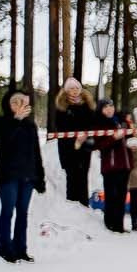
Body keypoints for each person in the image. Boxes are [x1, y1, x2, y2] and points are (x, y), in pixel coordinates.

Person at [0, 88, 45, 261]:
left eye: (22, 101)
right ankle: (5, 248)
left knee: (23, 213)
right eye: (15, 101)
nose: (19, 104)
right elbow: (3, 145)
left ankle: (20, 248)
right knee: (7, 211)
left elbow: (36, 153)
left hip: (28, 176)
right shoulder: (1, 122)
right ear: (8, 104)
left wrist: (40, 178)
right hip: (8, 176)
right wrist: (16, 121)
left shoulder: (30, 126)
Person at [51, 77, 97, 205]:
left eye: (77, 88)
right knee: (71, 177)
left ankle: (83, 204)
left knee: (83, 176)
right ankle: (71, 205)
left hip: (84, 147)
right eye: (71, 88)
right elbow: (60, 127)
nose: (75, 91)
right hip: (68, 148)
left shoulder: (87, 105)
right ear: (66, 91)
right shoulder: (62, 107)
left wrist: (85, 136)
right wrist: (74, 140)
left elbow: (92, 124)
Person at [92, 97, 134, 233]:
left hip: (125, 164)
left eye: (111, 106)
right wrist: (113, 138)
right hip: (110, 166)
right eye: (106, 107)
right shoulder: (99, 123)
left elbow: (129, 138)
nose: (109, 109)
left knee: (122, 195)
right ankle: (109, 222)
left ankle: (119, 225)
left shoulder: (121, 121)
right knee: (111, 195)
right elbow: (99, 145)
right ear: (101, 110)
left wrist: (131, 140)